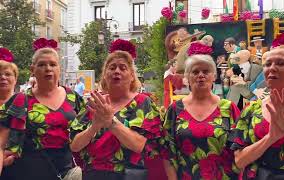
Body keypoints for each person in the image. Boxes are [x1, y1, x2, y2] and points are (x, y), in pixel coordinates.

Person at [230, 45, 284, 180]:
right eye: (267, 64)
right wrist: (270, 138)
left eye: (281, 63)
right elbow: (239, 161)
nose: (272, 68)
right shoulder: (251, 109)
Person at [70, 50, 164, 180]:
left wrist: (111, 122)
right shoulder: (94, 102)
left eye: (122, 68)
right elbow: (74, 145)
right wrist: (94, 127)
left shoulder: (142, 102)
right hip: (92, 175)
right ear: (104, 76)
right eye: (112, 68)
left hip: (128, 175)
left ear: (132, 76)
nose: (116, 71)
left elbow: (140, 145)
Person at [0, 46, 85, 180]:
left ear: (59, 68)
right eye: (42, 65)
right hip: (27, 173)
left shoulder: (74, 98)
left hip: (67, 173)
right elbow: (1, 143)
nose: (48, 68)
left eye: (53, 64)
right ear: (32, 70)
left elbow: (88, 134)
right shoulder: (20, 100)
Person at [162, 54, 241, 180]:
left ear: (214, 76)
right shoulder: (175, 109)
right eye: (195, 72)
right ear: (187, 77)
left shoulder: (228, 108)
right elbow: (167, 153)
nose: (201, 75)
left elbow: (240, 150)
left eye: (206, 71)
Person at [0, 48, 18, 175]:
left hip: (22, 167)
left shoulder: (27, 103)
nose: (2, 77)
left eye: (7, 74)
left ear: (15, 79)